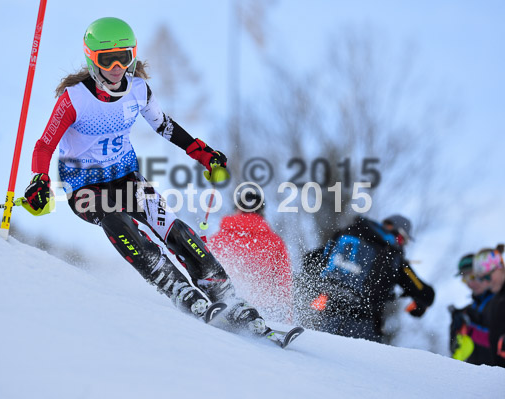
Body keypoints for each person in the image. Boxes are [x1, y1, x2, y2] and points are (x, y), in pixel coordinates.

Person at [24, 17, 267, 334]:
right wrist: (39, 179)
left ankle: (225, 293)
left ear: (132, 57)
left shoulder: (138, 90)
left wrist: (203, 153)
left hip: (126, 178)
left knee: (172, 227)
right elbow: (44, 145)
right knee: (113, 217)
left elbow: (165, 126)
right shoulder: (75, 99)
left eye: (123, 58)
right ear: (91, 59)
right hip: (83, 185)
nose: (115, 67)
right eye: (106, 59)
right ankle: (171, 282)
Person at [298, 215, 435, 342]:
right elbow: (426, 293)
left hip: (329, 312)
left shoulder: (351, 233)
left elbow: (309, 260)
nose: (403, 245)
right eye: (404, 240)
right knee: (359, 365)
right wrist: (419, 307)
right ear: (399, 234)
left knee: (323, 354)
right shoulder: (393, 255)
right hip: (364, 322)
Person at [209, 188, 293, 323]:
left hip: (227, 305)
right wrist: (287, 318)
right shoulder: (275, 242)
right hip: (265, 311)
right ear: (262, 211)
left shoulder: (218, 239)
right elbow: (283, 283)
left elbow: (208, 272)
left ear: (237, 209)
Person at [449, 253, 494, 365]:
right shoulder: (469, 310)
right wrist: (456, 328)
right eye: (465, 279)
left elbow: (497, 341)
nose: (470, 283)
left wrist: (470, 328)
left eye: (473, 277)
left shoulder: (500, 303)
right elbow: (456, 351)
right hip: (476, 376)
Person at [473, 246, 505, 367]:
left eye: (487, 276)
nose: (485, 283)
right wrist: (470, 329)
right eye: (481, 279)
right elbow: (490, 339)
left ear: (500, 268)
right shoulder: (494, 301)